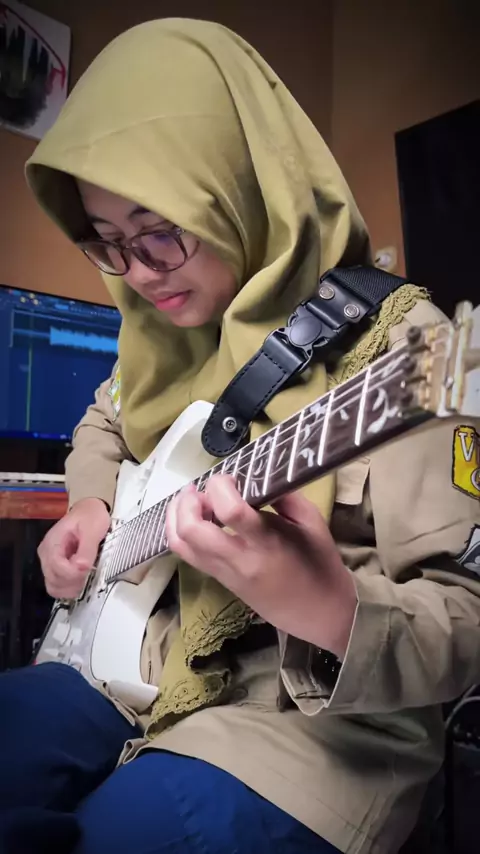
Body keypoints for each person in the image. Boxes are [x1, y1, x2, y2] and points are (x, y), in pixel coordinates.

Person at [1, 17, 479, 854]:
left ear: (238, 187)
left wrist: (331, 610)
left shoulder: (411, 350)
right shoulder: (162, 331)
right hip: (130, 673)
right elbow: (105, 420)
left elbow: (468, 620)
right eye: (108, 244)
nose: (138, 273)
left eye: (160, 231)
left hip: (306, 732)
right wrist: (87, 501)